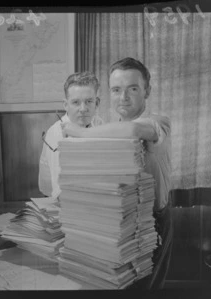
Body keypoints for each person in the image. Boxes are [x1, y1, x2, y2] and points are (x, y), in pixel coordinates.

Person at [61, 57, 173, 290]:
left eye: (132, 88)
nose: (123, 97)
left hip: (152, 222)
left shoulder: (158, 123)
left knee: (146, 288)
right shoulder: (111, 129)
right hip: (119, 221)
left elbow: (132, 130)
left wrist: (78, 133)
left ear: (147, 91)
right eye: (116, 89)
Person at [38, 71, 103, 199]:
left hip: (89, 188)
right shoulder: (56, 134)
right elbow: (60, 191)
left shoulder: (98, 122)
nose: (83, 109)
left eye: (89, 101)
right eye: (76, 102)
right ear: (66, 105)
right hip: (59, 199)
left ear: (97, 103)